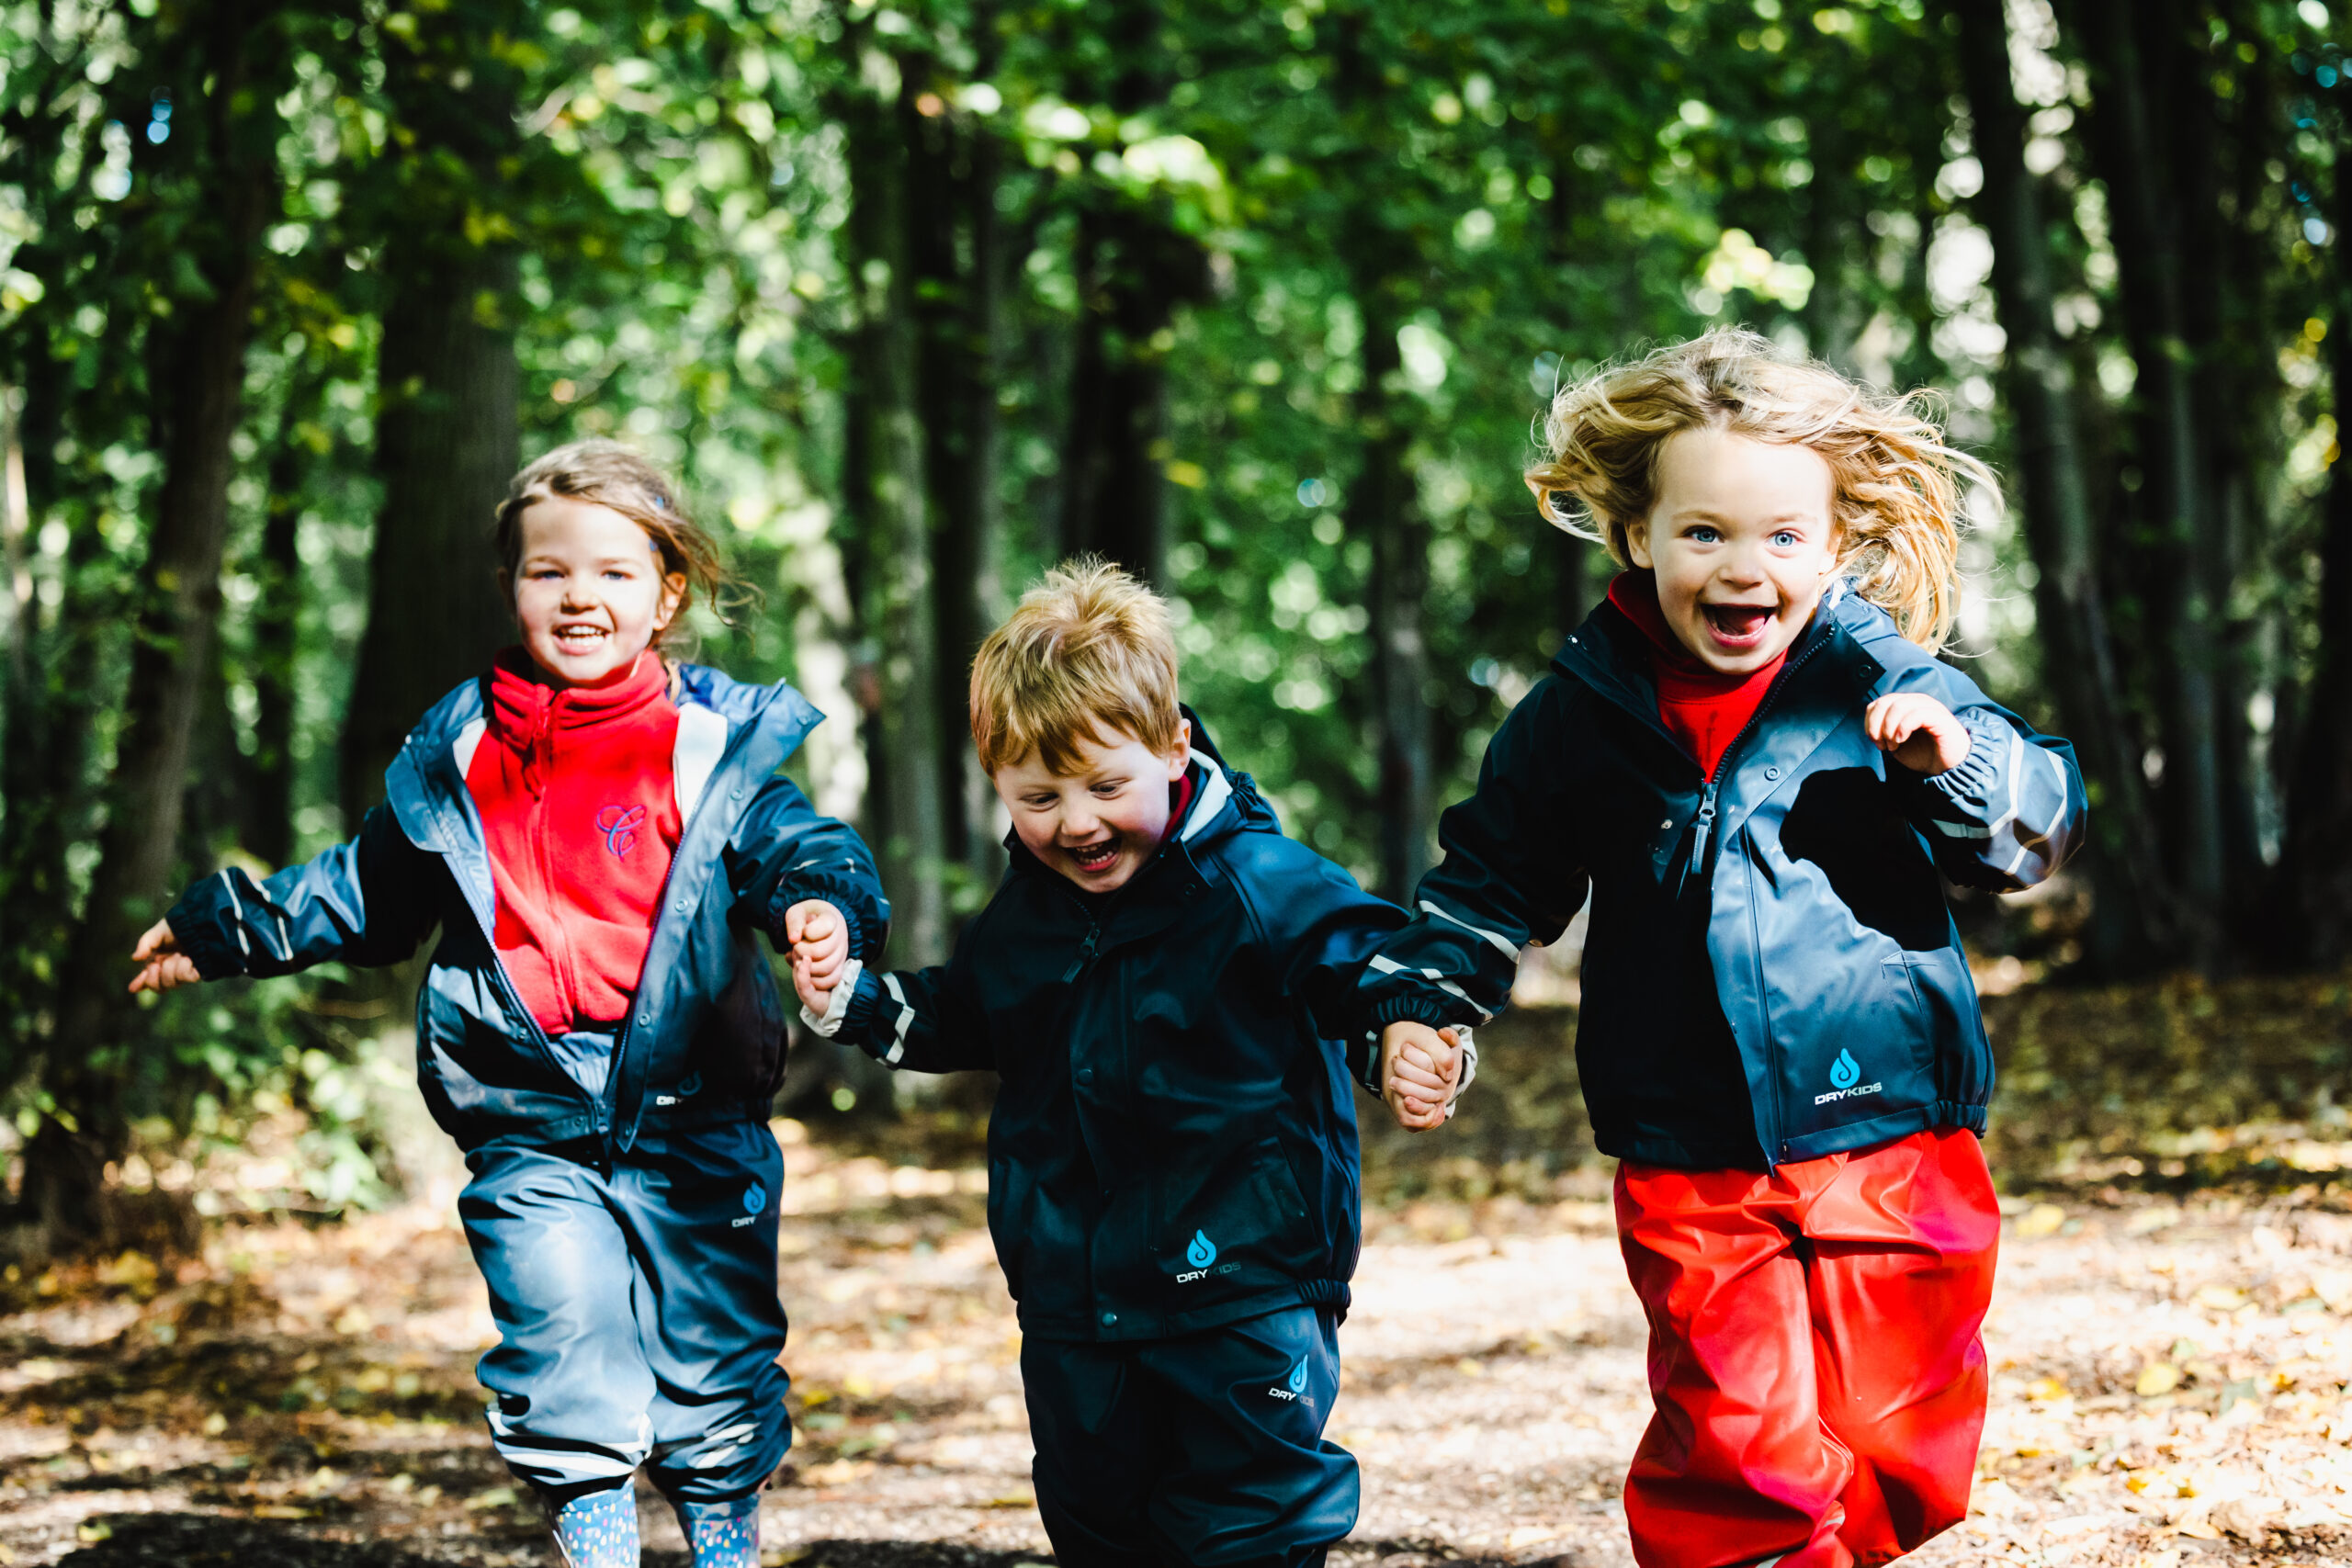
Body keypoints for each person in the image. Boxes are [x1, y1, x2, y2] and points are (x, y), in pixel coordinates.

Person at [1363, 330, 2086, 1568]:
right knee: (1737, 1435)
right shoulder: (1578, 718)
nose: (1744, 566)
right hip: (1686, 1136)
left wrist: (1949, 763)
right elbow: (1491, 876)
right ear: (1637, 536)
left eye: (1782, 537)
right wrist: (1427, 1006)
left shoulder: (1879, 678)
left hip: (1889, 1118)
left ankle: (1833, 1536)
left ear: (1834, 545)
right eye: (1705, 534)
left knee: (1899, 1432)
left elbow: (2032, 837)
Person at [126, 440, 888, 1568]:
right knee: (561, 1338)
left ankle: (722, 1544)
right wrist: (229, 926)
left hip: (696, 1113)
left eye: (614, 574)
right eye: (549, 572)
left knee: (715, 1357)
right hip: (526, 1115)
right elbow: (369, 891)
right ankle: (599, 1551)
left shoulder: (704, 743)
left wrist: (819, 905)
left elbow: (795, 844)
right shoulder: (462, 750)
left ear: (667, 592)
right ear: (509, 586)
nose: (580, 596)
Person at [789, 558, 1431, 1568]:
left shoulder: (1257, 881)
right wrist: (859, 1002)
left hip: (1244, 1279)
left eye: (1104, 786)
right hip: (1075, 1294)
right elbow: (970, 1012)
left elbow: (1361, 958)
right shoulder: (1028, 913)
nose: (1076, 823)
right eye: (1038, 796)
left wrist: (1406, 1025)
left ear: (1173, 747)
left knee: (1249, 1516)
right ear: (995, 779)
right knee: (1100, 1519)